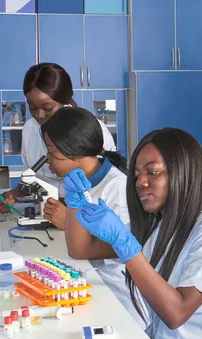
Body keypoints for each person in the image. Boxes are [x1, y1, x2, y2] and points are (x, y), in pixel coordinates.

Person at [72, 128, 202, 338]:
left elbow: (177, 313)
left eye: (153, 172)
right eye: (137, 175)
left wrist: (125, 245)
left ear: (184, 170)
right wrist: (75, 203)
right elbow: (81, 249)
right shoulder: (159, 224)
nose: (140, 182)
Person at [42, 106, 144, 326]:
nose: (47, 159)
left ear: (73, 152)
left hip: (116, 291)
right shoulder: (75, 182)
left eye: (52, 152)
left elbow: (120, 247)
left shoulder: (115, 187)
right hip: (90, 280)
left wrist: (70, 224)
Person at [0, 63, 115, 228]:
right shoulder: (30, 130)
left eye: (47, 108)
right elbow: (34, 179)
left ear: (64, 100)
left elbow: (107, 189)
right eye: (32, 108)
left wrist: (70, 216)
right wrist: (14, 194)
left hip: (87, 224)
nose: (39, 115)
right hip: (49, 216)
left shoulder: (91, 131)